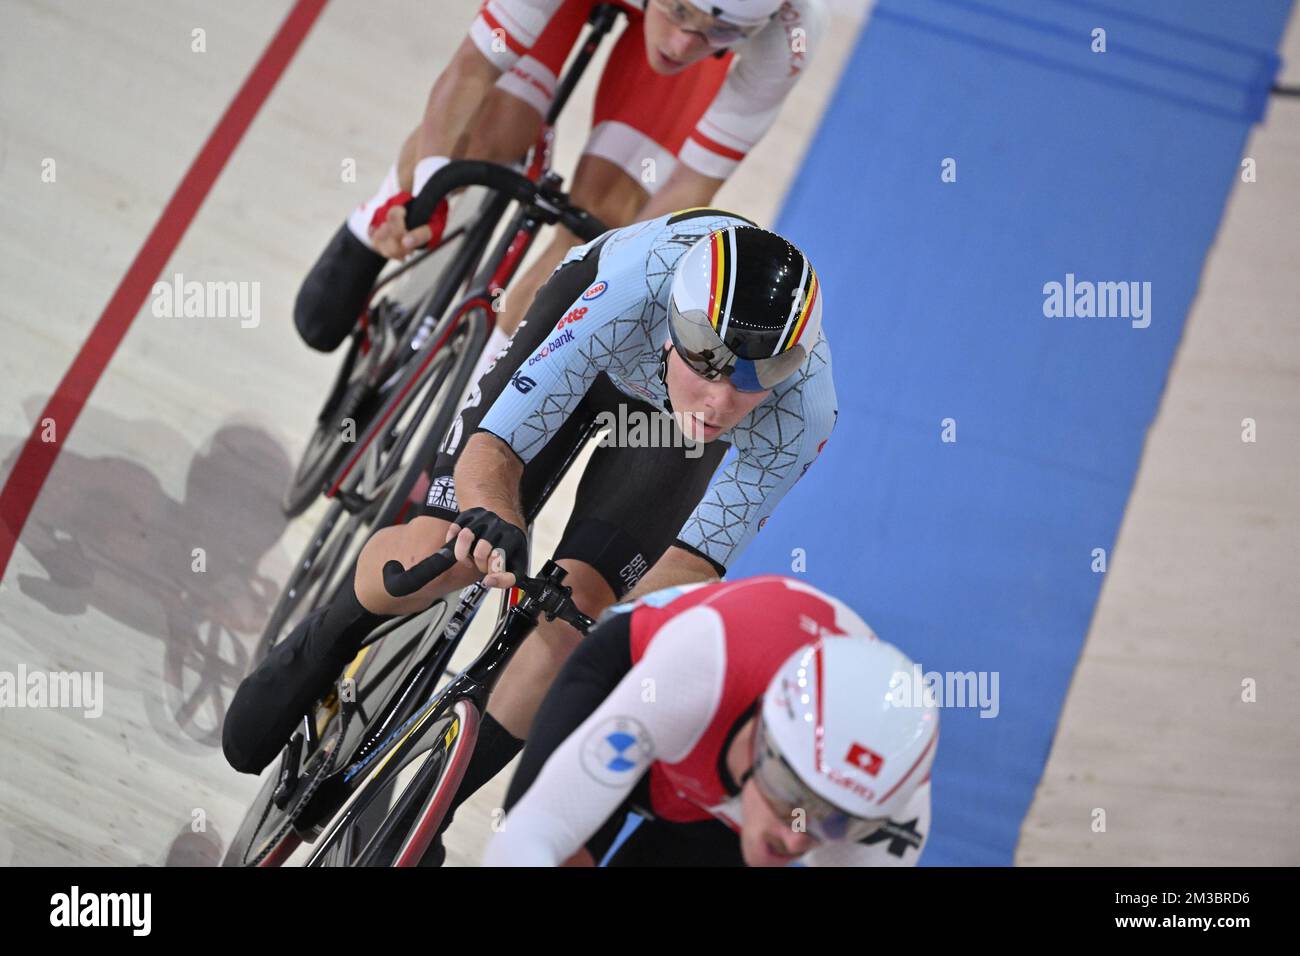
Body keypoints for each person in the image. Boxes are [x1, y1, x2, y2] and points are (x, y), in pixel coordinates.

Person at [225, 209, 836, 865]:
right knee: (448, 546)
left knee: (580, 620)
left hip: (670, 438)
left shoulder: (802, 407)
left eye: (753, 379)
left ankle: (428, 809)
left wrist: (610, 634)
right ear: (678, 329)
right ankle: (332, 633)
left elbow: (688, 566)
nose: (721, 401)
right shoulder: (630, 292)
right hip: (590, 343)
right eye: (708, 366)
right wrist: (493, 516)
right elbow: (492, 451)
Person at [294, 0, 827, 387]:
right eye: (682, 11)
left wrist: (608, 273)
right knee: (488, 134)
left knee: (607, 218)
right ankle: (373, 221)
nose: (681, 43)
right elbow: (471, 69)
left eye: (721, 30)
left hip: (681, 52)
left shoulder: (792, 30)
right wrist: (426, 196)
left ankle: (474, 408)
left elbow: (688, 192)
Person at [483, 576, 939, 866]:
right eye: (794, 796)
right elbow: (530, 835)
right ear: (765, 736)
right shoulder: (700, 670)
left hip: (724, 792)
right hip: (641, 680)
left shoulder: (896, 796)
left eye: (839, 821)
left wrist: (799, 804)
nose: (796, 837)